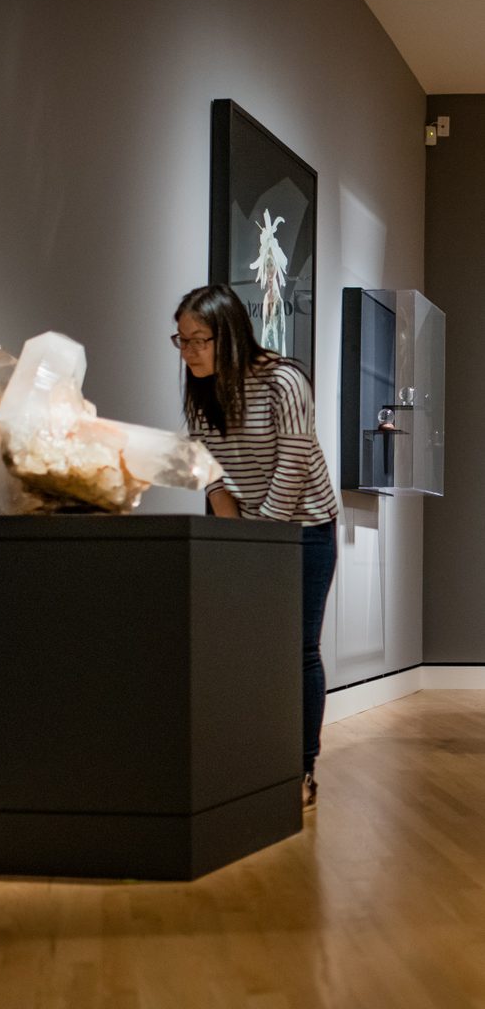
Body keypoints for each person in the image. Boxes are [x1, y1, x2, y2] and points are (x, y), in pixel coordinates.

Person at [172, 283, 338, 810]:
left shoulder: (284, 381)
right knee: (246, 649)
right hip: (249, 530)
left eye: (200, 340)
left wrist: (261, 540)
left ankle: (299, 769)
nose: (191, 351)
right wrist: (238, 542)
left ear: (231, 335)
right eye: (181, 341)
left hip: (305, 529)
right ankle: (251, 765)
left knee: (297, 647)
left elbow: (291, 470)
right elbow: (213, 478)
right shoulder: (200, 393)